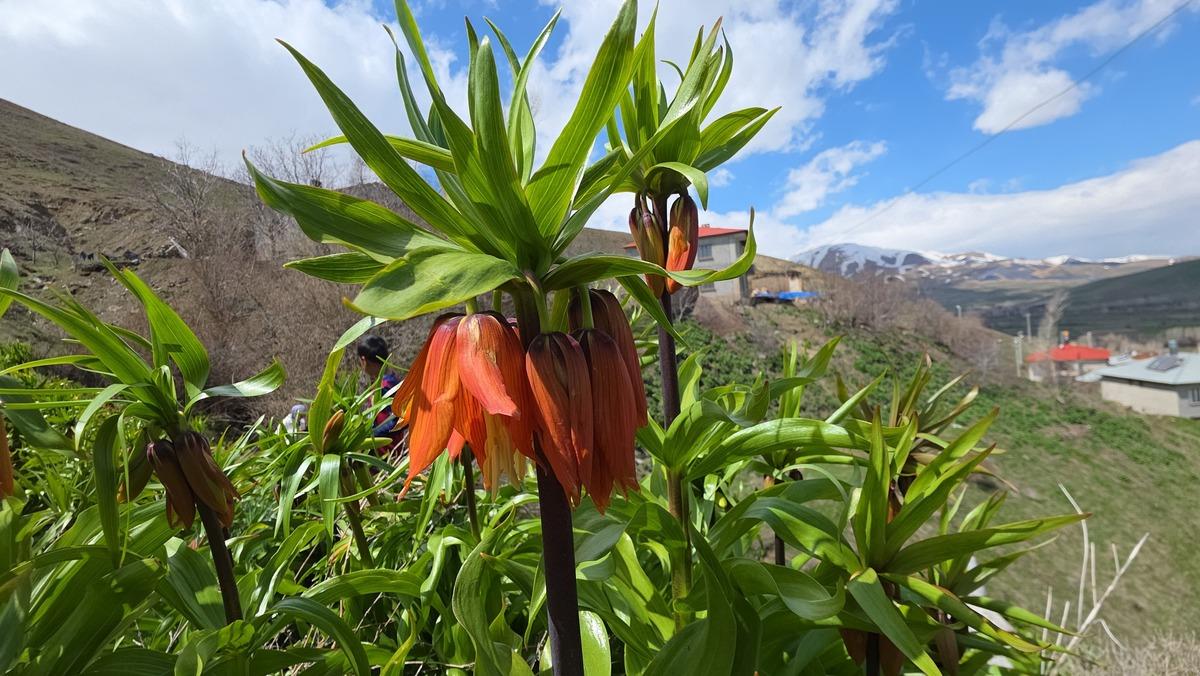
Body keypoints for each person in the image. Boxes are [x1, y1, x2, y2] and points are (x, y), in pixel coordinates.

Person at [356, 334, 405, 452]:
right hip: (388, 450)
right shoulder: (390, 382)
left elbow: (398, 419)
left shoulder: (386, 386)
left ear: (364, 360)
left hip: (387, 452)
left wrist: (372, 434)